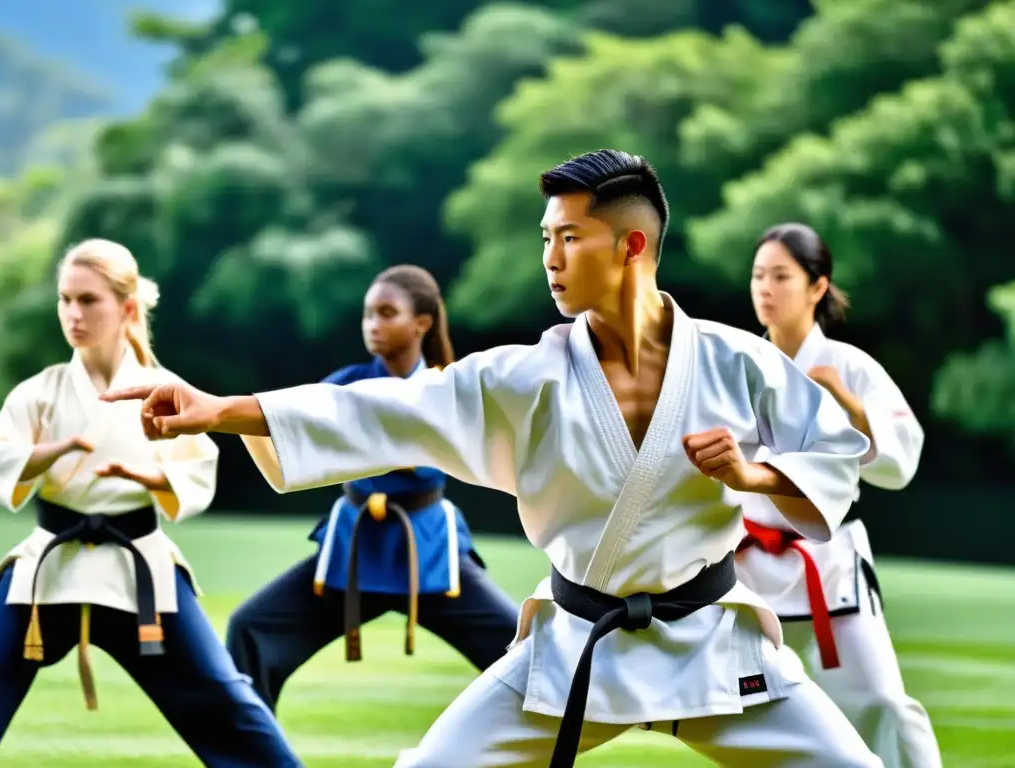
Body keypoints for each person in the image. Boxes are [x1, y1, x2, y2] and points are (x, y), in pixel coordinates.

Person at [103, 150, 884, 768]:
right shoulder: (527, 374)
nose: (550, 257)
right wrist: (220, 410)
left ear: (631, 244)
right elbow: (381, 409)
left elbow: (839, 452)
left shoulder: (734, 361)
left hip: (715, 640)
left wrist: (750, 477)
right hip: (578, 645)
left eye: (568, 237)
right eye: (545, 239)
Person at [0, 239, 303, 767]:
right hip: (49, 567)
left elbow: (198, 468)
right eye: (65, 299)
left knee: (225, 701)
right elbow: (1, 459)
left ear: (127, 308)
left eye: (88, 300)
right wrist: (56, 450)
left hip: (138, 570)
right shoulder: (38, 392)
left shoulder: (164, 389)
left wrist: (149, 474)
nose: (73, 313)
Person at [225, 264, 520, 712]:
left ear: (421, 322)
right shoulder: (347, 384)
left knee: (525, 654)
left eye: (386, 313)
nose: (373, 325)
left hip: (429, 549)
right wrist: (230, 414)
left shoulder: (450, 387)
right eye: (368, 314)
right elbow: (286, 421)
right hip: (354, 544)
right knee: (251, 629)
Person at [733, 222, 941, 768]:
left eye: (781, 276)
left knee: (884, 705)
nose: (765, 289)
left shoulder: (850, 366)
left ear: (818, 287)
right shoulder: (735, 363)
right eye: (758, 276)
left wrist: (846, 401)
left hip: (828, 570)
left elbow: (900, 463)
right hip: (749, 569)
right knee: (748, 722)